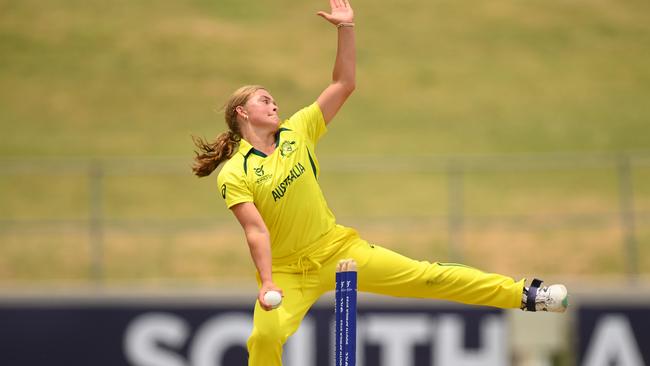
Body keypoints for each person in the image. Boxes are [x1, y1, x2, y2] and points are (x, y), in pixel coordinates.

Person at [192, 0, 568, 364]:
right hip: (289, 273)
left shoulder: (298, 130)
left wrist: (346, 28)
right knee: (264, 337)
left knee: (428, 276)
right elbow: (256, 231)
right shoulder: (234, 173)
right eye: (265, 100)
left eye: (274, 100)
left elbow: (344, 82)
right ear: (242, 112)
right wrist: (268, 282)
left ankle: (527, 294)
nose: (275, 105)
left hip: (339, 250)